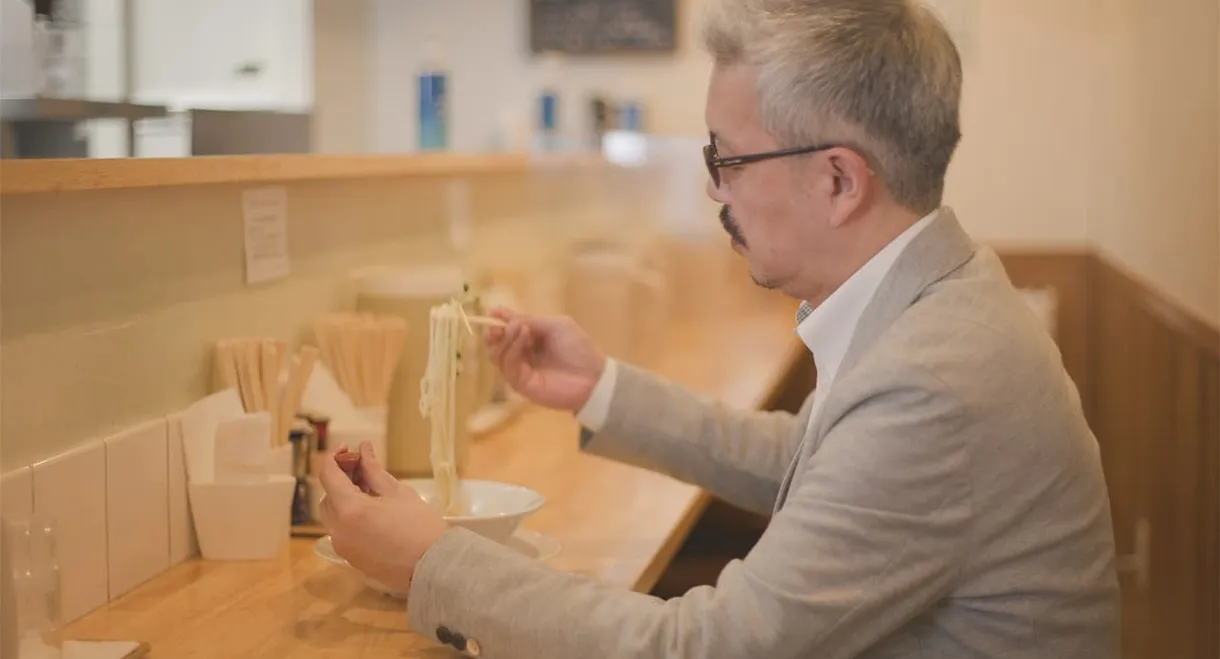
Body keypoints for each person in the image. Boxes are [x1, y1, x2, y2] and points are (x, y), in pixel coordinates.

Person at [317, 0, 1121, 656]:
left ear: (839, 180)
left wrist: (431, 559)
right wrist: (600, 390)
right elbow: (805, 463)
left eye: (726, 158)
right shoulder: (935, 301)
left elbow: (708, 646)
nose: (714, 192)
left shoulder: (935, 381)